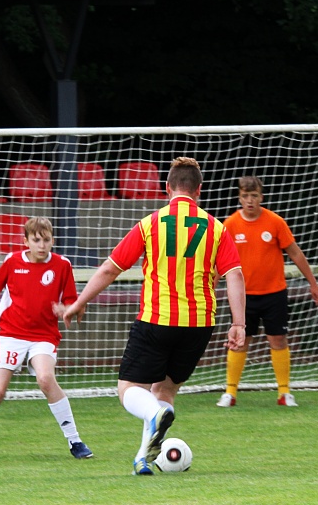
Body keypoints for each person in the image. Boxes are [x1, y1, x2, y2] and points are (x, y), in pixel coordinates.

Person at [58, 157, 246, 475]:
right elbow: (235, 275)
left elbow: (110, 268)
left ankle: (156, 417)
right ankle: (143, 458)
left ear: (167, 189)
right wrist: (239, 323)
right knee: (165, 391)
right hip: (199, 324)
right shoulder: (216, 227)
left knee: (129, 389)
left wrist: (79, 301)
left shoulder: (151, 223)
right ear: (198, 190)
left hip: (157, 319)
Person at [0, 216, 93, 461]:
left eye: (46, 240)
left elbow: (73, 302)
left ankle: (75, 441)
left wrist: (68, 310)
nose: (42, 245)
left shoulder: (62, 265)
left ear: (52, 240)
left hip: (43, 335)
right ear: (26, 241)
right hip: (12, 334)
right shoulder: (12, 262)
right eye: (36, 240)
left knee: (46, 379)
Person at [217, 175, 318, 408]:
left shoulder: (275, 222)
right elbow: (220, 259)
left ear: (261, 197)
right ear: (239, 197)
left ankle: (284, 392)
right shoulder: (230, 225)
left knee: (278, 339)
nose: (250, 201)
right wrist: (211, 283)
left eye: (254, 196)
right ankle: (230, 392)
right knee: (240, 341)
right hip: (243, 296)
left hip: (274, 293)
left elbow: (295, 253)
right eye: (245, 196)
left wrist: (312, 283)